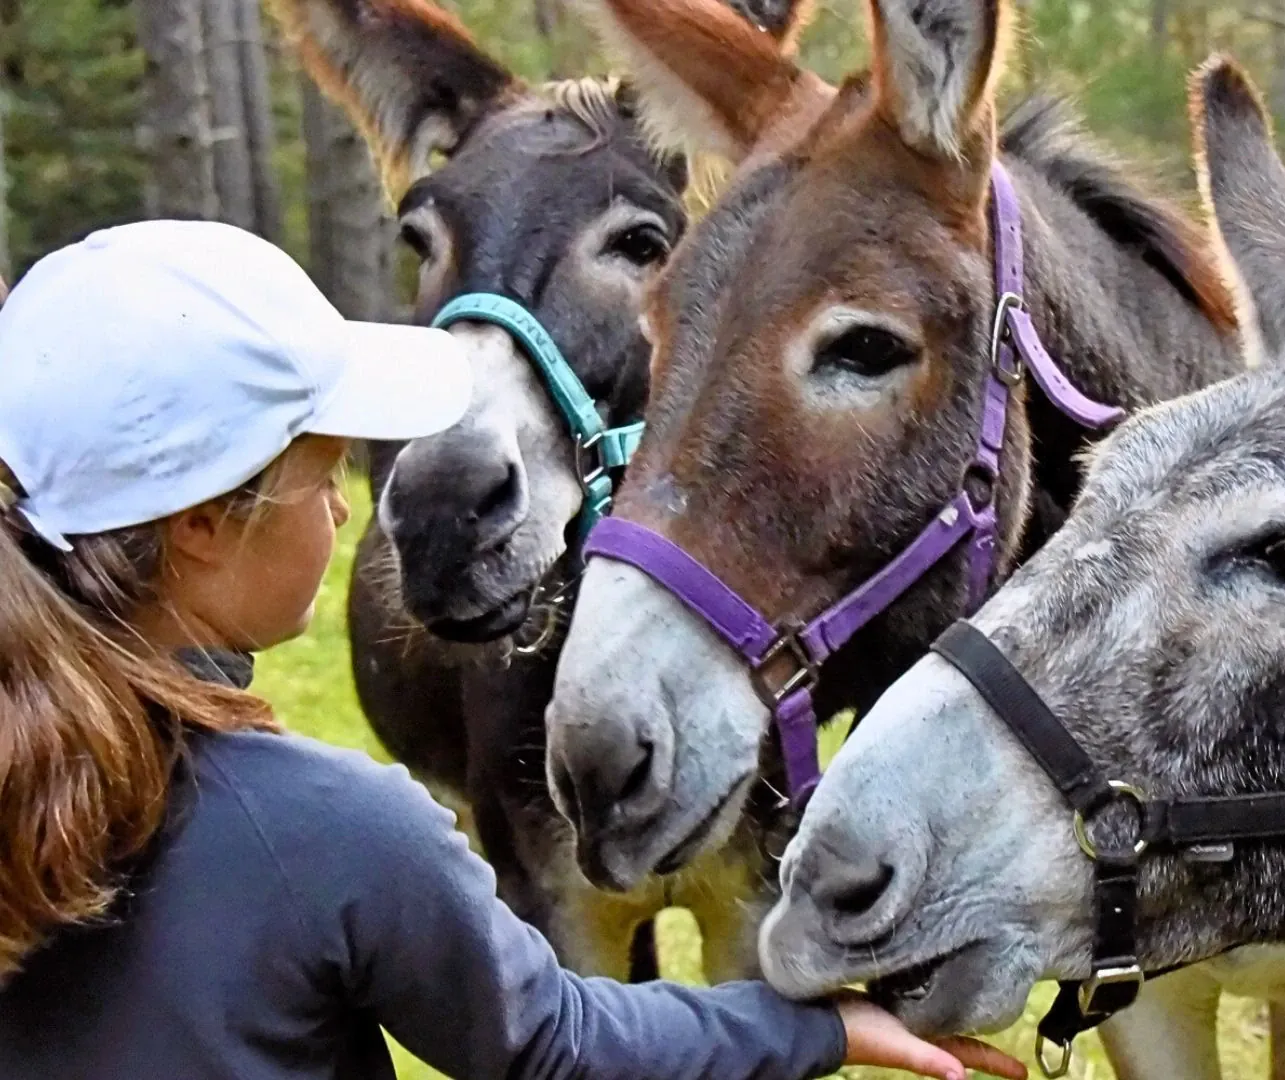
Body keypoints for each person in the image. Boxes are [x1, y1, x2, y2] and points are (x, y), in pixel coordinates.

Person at [0, 221, 1026, 1080]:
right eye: (321, 472)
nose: (340, 506)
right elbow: (550, 1041)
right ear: (206, 524)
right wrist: (820, 1025)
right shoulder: (327, 833)